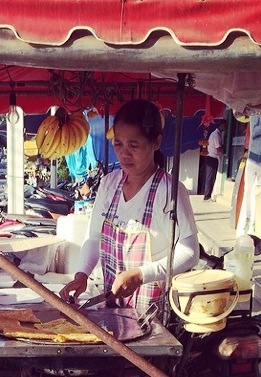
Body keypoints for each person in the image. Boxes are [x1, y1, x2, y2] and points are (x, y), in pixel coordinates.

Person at [59, 99, 199, 318]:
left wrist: (141, 275)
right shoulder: (108, 184)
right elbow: (93, 237)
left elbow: (190, 253)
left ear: (156, 142)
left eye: (134, 146)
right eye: (118, 144)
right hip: (112, 309)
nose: (124, 154)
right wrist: (81, 274)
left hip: (153, 314)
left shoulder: (170, 191)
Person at [203, 119, 227, 201]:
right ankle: (207, 196)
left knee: (212, 177)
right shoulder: (216, 135)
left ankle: (208, 194)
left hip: (213, 158)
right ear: (220, 125)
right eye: (224, 125)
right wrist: (224, 146)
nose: (225, 128)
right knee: (210, 177)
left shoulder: (218, 134)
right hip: (212, 158)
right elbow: (218, 149)